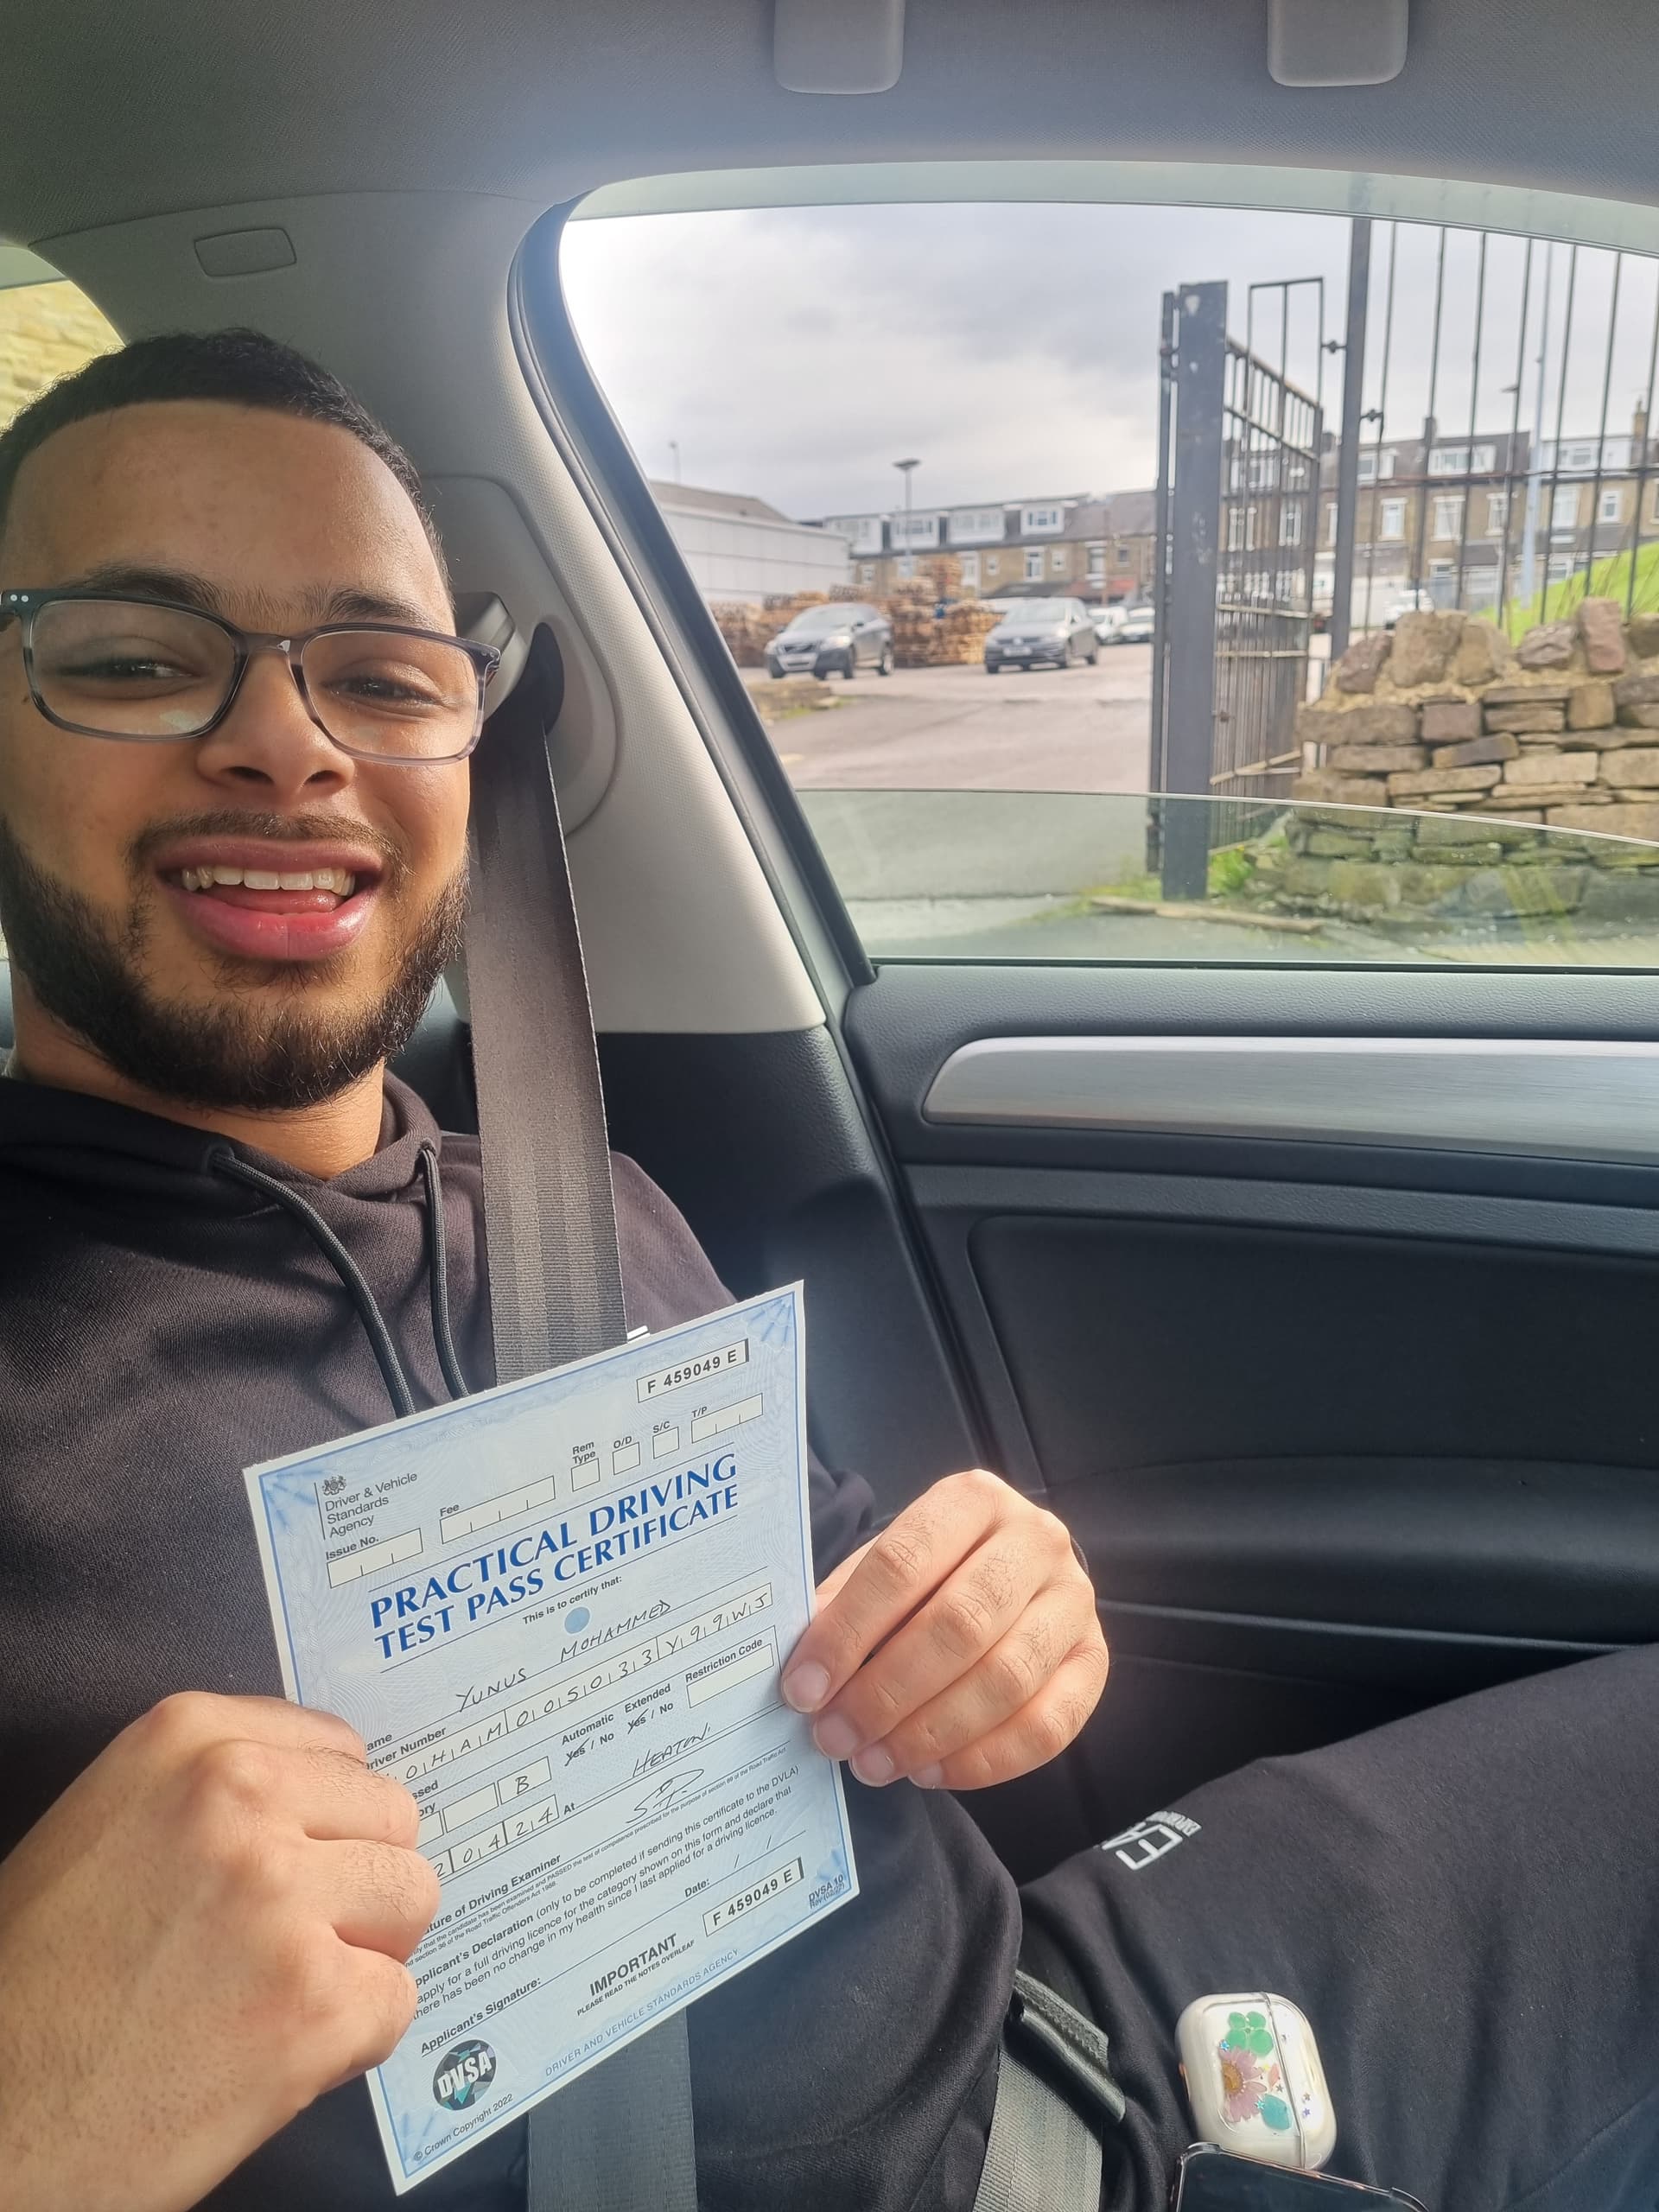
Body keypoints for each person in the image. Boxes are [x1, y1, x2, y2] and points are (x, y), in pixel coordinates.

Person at [0, 333, 1653, 2212]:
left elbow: (862, 1644)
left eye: (379, 674)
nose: (287, 740)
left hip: (1071, 2026)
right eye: (131, 658)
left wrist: (992, 1629)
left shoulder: (583, 1203)